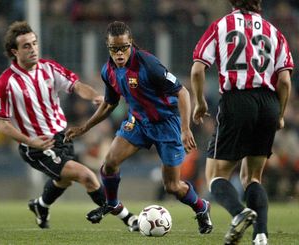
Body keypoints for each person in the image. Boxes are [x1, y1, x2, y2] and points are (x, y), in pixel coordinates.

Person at [65, 21, 213, 234]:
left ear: (131, 44)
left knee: (172, 187)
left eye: (123, 47)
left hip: (166, 124)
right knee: (109, 164)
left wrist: (185, 128)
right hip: (138, 122)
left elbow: (182, 93)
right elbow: (109, 103)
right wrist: (84, 127)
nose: (119, 53)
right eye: (114, 48)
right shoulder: (108, 71)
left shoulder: (148, 64)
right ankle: (113, 203)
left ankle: (201, 207)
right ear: (107, 47)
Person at [0, 21, 139, 231]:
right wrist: (30, 141)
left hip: (62, 138)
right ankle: (130, 219)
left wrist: (95, 96)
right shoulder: (4, 84)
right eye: (26, 46)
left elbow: (76, 85)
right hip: (38, 146)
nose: (33, 49)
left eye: (34, 43)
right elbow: (2, 125)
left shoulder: (49, 68)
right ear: (14, 51)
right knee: (86, 176)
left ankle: (40, 205)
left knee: (63, 181)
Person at [190, 0, 293, 244]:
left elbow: (197, 70)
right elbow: (285, 81)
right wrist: (279, 114)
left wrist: (200, 102)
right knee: (252, 177)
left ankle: (239, 213)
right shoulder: (274, 32)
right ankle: (260, 235)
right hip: (268, 103)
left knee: (215, 175)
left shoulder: (221, 25)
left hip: (237, 99)